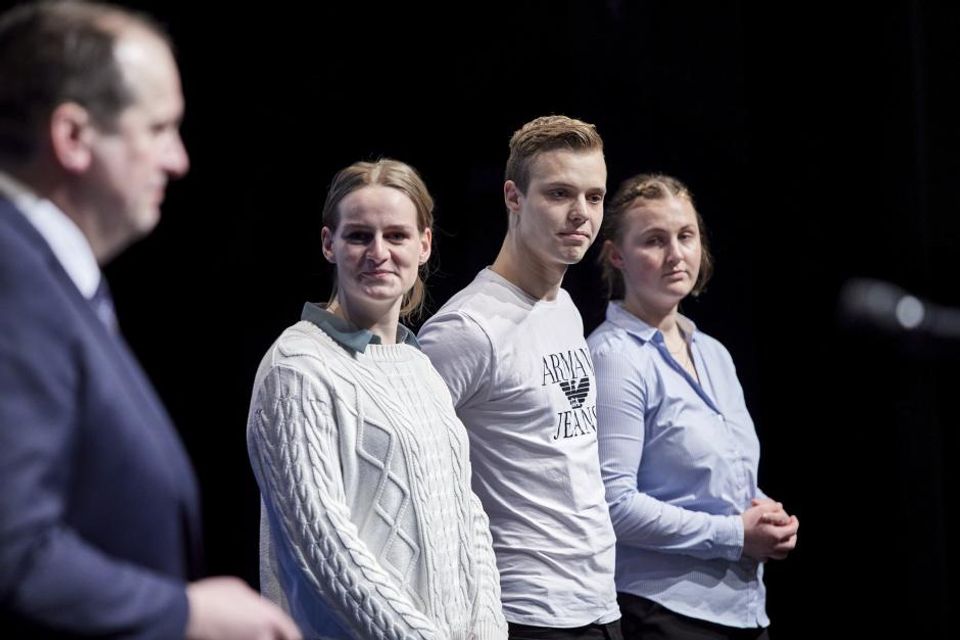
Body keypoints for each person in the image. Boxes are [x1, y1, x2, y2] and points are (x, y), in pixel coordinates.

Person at [0, 2, 301, 638]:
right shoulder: (13, 276)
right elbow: (12, 552)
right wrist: (184, 615)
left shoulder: (45, 276)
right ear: (74, 137)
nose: (178, 160)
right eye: (159, 128)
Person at [246, 158, 508, 639]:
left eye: (397, 236)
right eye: (359, 236)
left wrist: (489, 629)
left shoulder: (418, 365)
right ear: (329, 244)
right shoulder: (298, 368)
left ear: (424, 244)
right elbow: (324, 548)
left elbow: (465, 515)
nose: (378, 252)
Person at [418, 115, 622, 640]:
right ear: (513, 196)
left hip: (600, 604)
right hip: (522, 612)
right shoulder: (466, 329)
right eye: (559, 193)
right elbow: (411, 473)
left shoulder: (567, 308)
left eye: (594, 197)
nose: (581, 214)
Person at [588, 173, 799, 640]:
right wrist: (736, 534)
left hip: (744, 609)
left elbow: (717, 475)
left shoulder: (712, 352)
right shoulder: (615, 357)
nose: (675, 254)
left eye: (686, 236)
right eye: (654, 241)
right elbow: (613, 504)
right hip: (665, 613)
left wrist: (764, 513)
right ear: (616, 255)